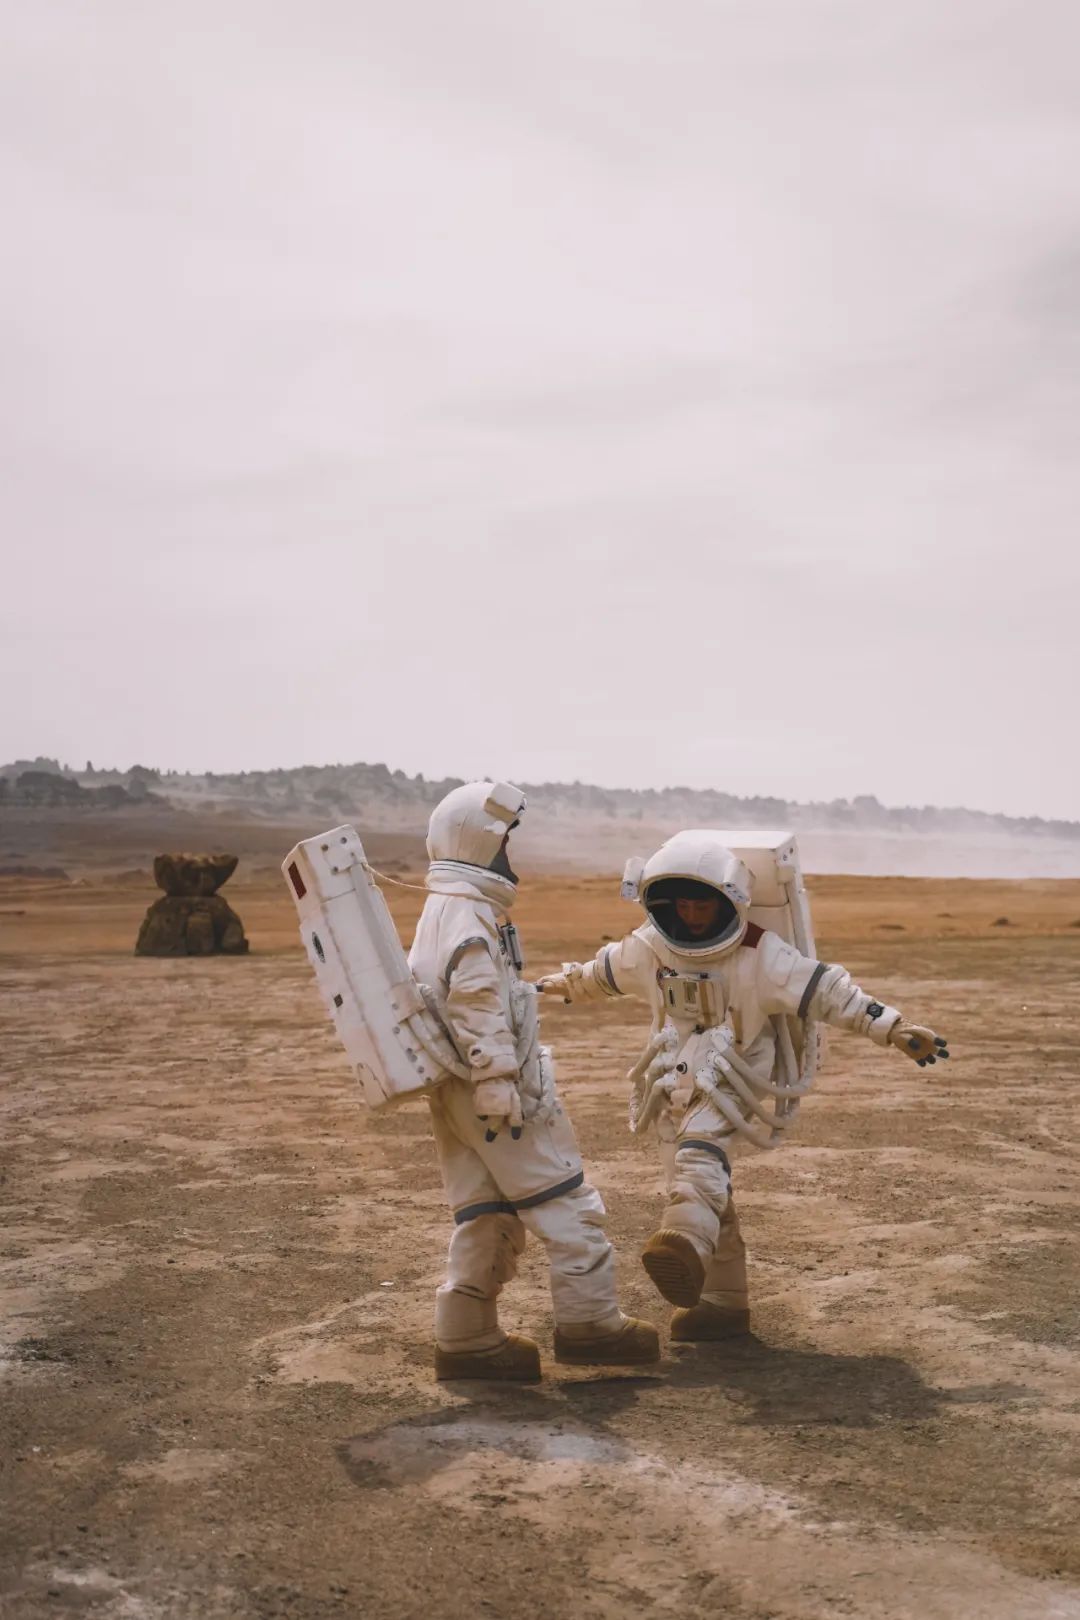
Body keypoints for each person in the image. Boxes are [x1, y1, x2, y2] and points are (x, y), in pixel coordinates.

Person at [538, 830, 949, 1342]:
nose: (690, 916)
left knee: (701, 1157)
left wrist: (891, 1026)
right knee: (707, 1186)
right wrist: (555, 985)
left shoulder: (762, 955)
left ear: (727, 901)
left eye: (701, 905)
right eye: (682, 905)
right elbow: (603, 972)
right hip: (674, 1073)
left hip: (739, 1067)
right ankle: (722, 1303)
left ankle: (683, 1240)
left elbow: (829, 991)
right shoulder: (651, 948)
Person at [409, 780, 659, 1380]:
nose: (507, 856)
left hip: (455, 1089)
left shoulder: (441, 910)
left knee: (487, 1212)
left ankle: (466, 1338)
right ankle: (591, 1326)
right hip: (492, 1089)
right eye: (503, 842)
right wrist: (498, 1079)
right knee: (565, 1202)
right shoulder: (468, 916)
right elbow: (474, 1001)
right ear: (480, 840)